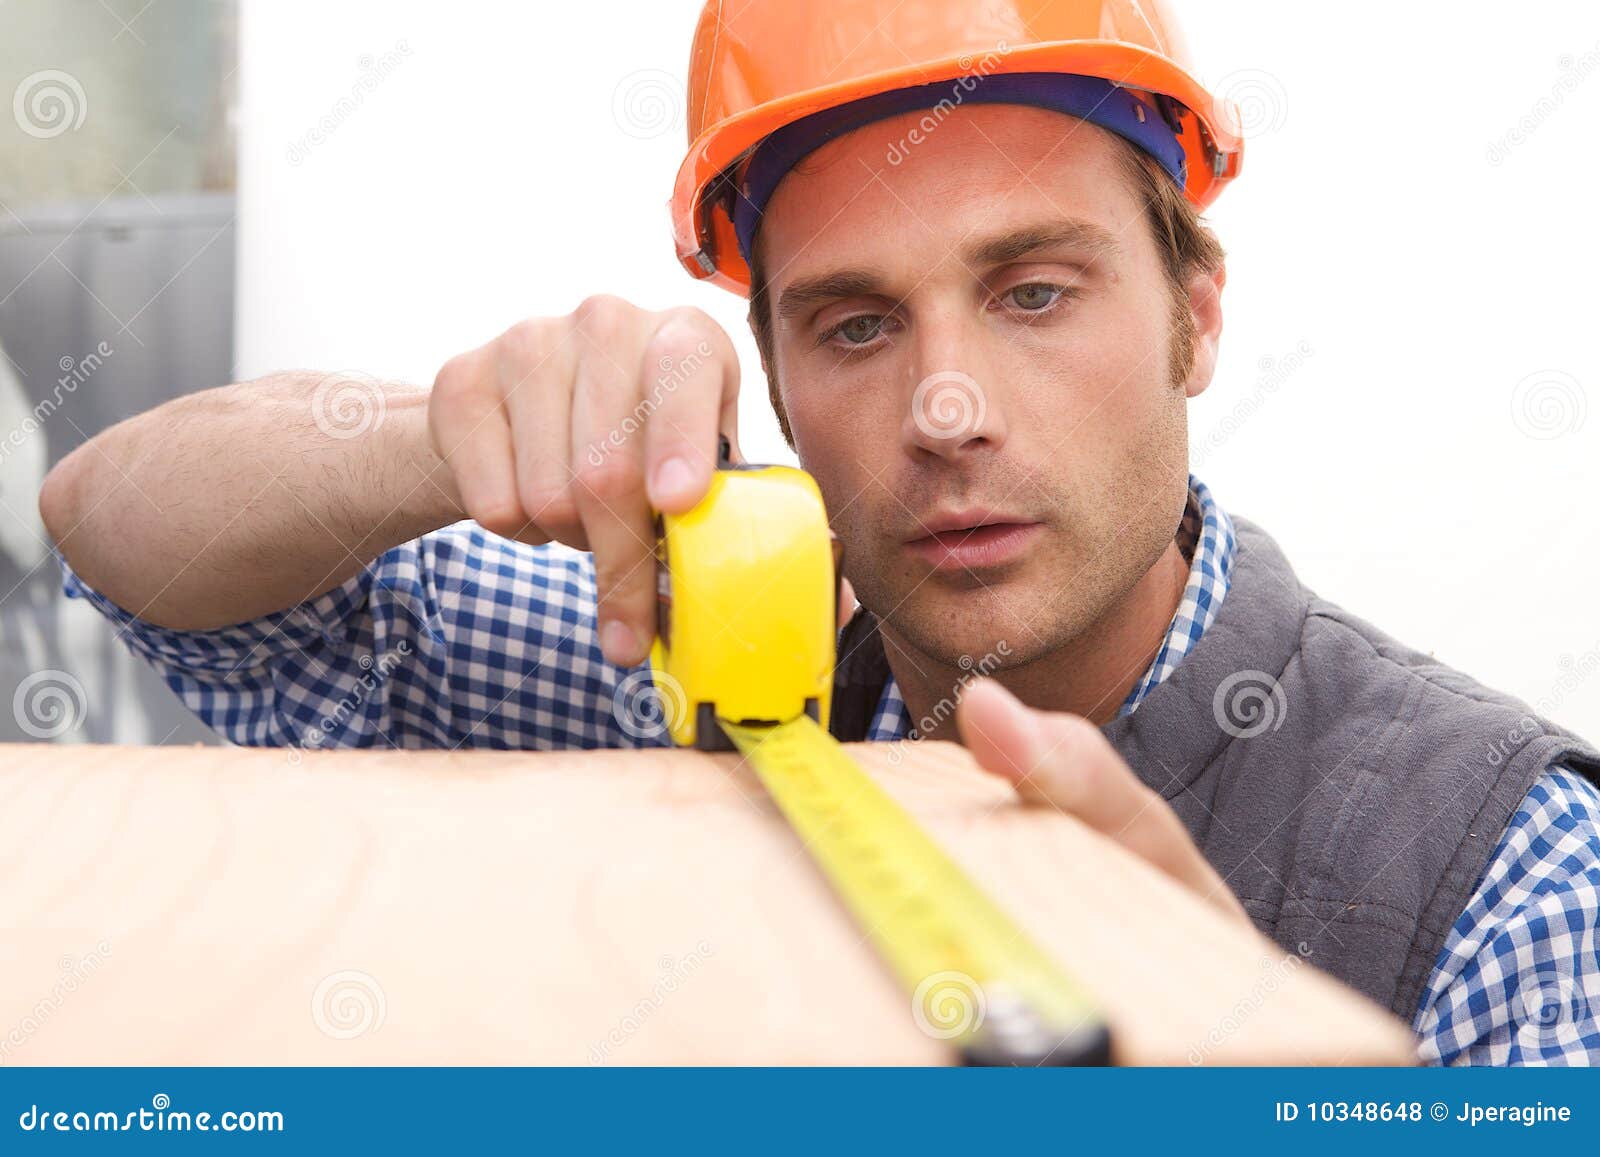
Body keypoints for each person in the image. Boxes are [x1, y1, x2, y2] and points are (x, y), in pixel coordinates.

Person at [38, 0, 1600, 1065]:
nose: (943, 409)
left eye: (1033, 291)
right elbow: (116, 530)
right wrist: (430, 442)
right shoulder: (671, 681)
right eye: (853, 327)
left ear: (1194, 318)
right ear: (773, 378)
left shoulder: (1509, 877)